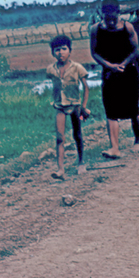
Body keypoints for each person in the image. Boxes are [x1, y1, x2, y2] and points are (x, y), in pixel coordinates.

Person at [90, 0, 139, 159]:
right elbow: (94, 53)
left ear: (118, 13)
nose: (111, 22)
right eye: (107, 19)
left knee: (133, 109)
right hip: (109, 73)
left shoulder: (128, 27)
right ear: (102, 15)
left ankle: (138, 141)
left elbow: (136, 50)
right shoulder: (95, 29)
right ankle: (115, 148)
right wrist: (109, 65)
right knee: (111, 111)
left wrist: (123, 64)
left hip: (129, 72)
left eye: (114, 18)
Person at [46, 35, 90, 179]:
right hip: (59, 105)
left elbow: (85, 87)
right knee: (60, 137)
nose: (61, 53)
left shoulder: (77, 67)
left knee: (77, 135)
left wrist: (84, 107)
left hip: (75, 105)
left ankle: (81, 162)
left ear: (70, 51)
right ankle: (60, 170)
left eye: (64, 49)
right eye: (57, 50)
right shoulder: (51, 70)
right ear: (53, 53)